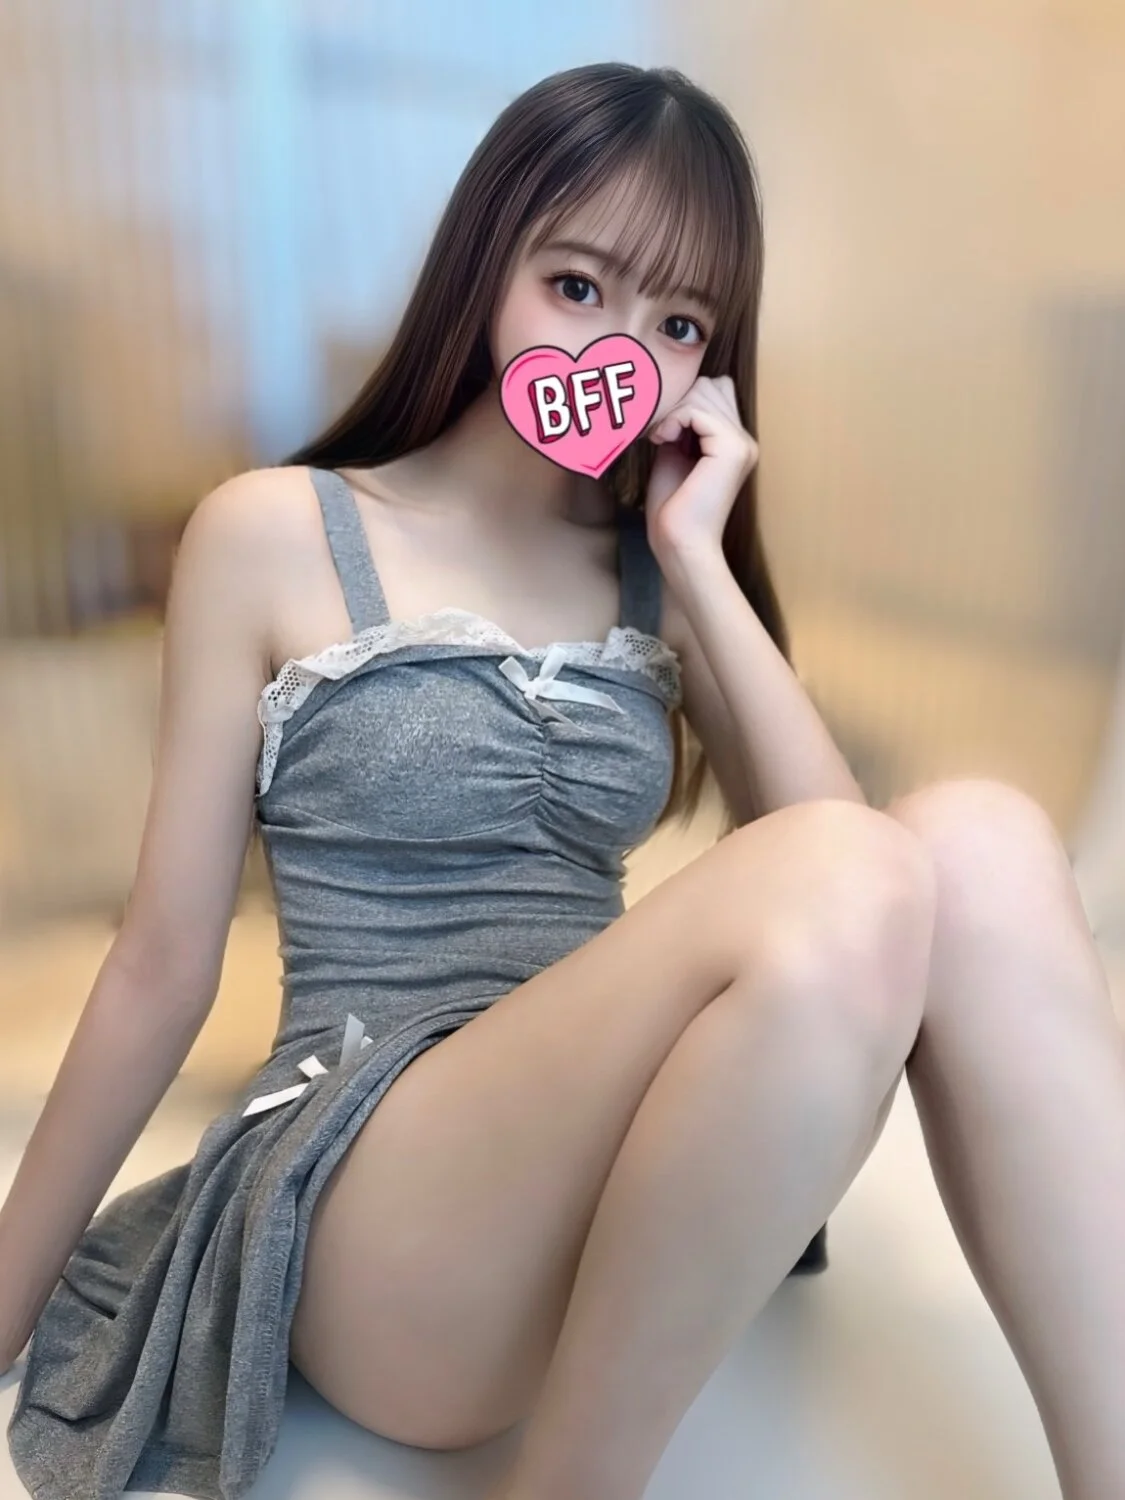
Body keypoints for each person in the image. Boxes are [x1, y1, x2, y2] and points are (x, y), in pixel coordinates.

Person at [3, 60, 1124, 1500]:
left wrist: (696, 559)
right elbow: (162, 965)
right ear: (488, 265)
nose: (621, 350)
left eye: (679, 323)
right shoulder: (272, 533)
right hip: (381, 1214)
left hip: (619, 1221)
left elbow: (871, 908)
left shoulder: (655, 578)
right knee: (866, 863)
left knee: (985, 839)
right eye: (579, 286)